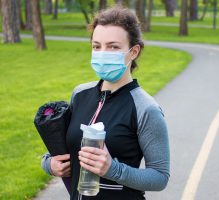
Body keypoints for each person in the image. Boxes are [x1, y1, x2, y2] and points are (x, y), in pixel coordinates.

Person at [41, 6, 170, 200]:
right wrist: (49, 164)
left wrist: (113, 169)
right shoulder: (80, 94)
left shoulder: (145, 109)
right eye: (96, 46)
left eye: (113, 47)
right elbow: (67, 147)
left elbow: (160, 177)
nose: (103, 53)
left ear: (133, 51)